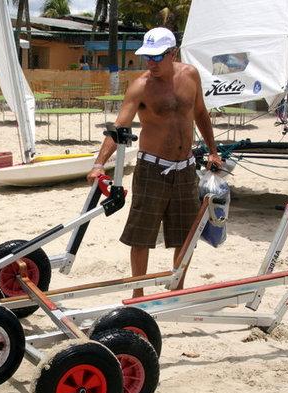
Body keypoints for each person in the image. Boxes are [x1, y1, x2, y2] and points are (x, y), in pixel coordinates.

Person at [86, 27, 221, 298]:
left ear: (173, 53)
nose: (151, 62)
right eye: (148, 56)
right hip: (151, 169)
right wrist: (99, 163)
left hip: (185, 169)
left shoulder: (190, 75)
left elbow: (201, 113)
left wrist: (213, 151)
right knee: (141, 235)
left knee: (185, 235)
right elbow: (119, 128)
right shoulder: (141, 86)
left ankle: (176, 291)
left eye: (158, 56)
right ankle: (139, 293)